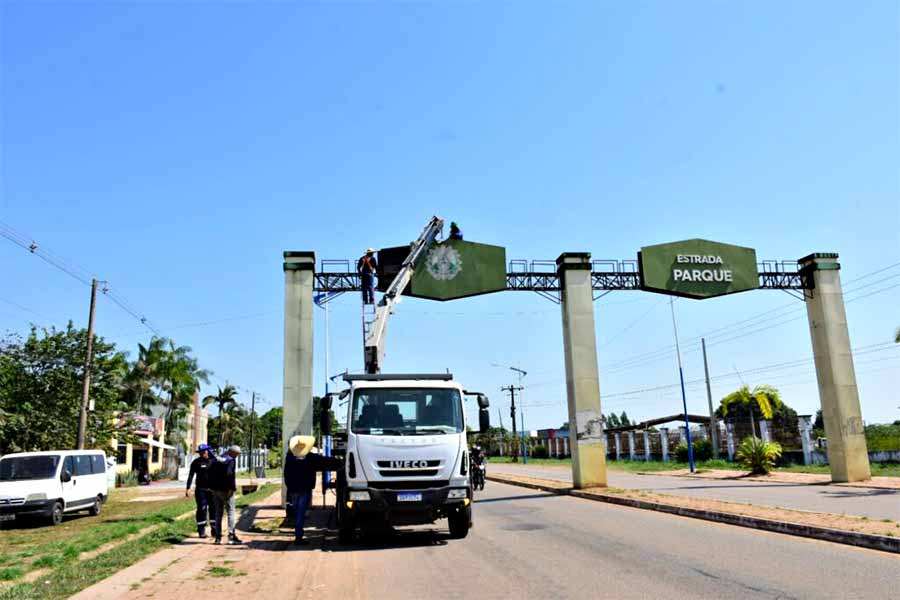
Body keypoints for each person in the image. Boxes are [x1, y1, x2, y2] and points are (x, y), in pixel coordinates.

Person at [284, 435, 342, 545]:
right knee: (301, 513)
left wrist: (290, 487)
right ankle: (298, 537)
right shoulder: (310, 457)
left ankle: (298, 534)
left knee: (297, 512)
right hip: (305, 489)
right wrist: (341, 463)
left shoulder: (290, 457)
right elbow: (325, 462)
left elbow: (286, 474)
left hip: (294, 490)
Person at [209, 445, 242, 545]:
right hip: (226, 490)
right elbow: (230, 475)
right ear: (232, 452)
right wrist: (231, 488)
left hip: (215, 490)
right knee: (231, 512)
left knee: (218, 513)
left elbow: (209, 471)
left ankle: (218, 537)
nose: (236, 457)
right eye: (236, 454)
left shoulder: (216, 459)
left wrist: (211, 487)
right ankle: (231, 536)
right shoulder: (230, 460)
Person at [186, 444, 218, 539]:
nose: (202, 453)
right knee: (202, 508)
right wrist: (188, 488)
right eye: (200, 452)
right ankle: (201, 531)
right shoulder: (196, 463)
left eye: (204, 451)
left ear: (208, 451)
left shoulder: (214, 461)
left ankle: (214, 529)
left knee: (213, 509)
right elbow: (191, 475)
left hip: (212, 490)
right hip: (201, 490)